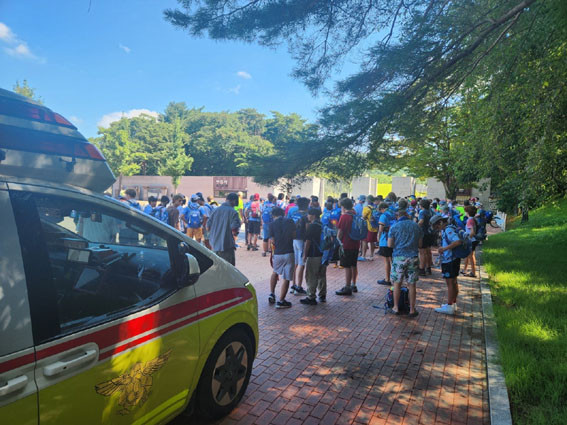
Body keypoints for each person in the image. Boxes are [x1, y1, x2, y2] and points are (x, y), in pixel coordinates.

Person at [387, 199, 423, 317]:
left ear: (397, 216)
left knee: (397, 283)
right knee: (412, 284)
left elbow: (389, 244)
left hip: (399, 257)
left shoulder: (394, 227)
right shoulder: (416, 226)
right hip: (413, 257)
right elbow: (420, 245)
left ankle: (396, 307)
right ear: (407, 215)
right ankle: (412, 309)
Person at [431, 215, 462, 315]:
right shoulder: (449, 229)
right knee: (454, 282)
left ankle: (449, 306)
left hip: (450, 260)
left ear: (440, 223)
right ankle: (453, 303)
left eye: (437, 226)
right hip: (453, 259)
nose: (437, 229)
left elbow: (458, 241)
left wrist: (444, 249)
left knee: (450, 283)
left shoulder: (448, 230)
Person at [267, 207, 295, 309]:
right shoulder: (290, 221)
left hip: (278, 253)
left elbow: (272, 240)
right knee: (286, 277)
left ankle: (272, 293)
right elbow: (294, 235)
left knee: (275, 272)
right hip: (289, 252)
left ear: (273, 215)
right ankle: (281, 301)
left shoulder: (272, 224)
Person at [300, 208, 327, 305]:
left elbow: (308, 242)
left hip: (313, 254)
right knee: (322, 275)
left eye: (309, 214)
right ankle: (322, 295)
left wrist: (305, 255)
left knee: (311, 275)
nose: (307, 216)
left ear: (313, 216)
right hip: (324, 254)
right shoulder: (323, 225)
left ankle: (311, 296)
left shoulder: (312, 226)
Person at [207, 192, 241, 266]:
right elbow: (234, 230)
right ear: (234, 201)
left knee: (216, 268)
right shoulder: (233, 212)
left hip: (214, 246)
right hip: (227, 247)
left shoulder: (215, 210)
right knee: (228, 269)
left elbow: (208, 227)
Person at [335, 197, 359, 295]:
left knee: (347, 266)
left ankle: (347, 287)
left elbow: (340, 232)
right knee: (354, 264)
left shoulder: (344, 216)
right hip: (356, 243)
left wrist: (338, 240)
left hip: (347, 244)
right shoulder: (355, 214)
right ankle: (353, 284)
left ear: (343, 207)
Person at [289, 197, 309, 295]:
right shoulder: (306, 215)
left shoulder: (293, 213)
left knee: (295, 263)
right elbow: (308, 230)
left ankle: (293, 285)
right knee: (301, 264)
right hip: (302, 240)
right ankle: (299, 287)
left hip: (294, 239)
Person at [377, 202, 394, 286]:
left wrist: (378, 238)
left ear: (382, 209)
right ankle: (395, 278)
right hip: (393, 240)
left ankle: (387, 279)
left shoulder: (383, 216)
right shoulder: (393, 214)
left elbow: (381, 229)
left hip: (385, 240)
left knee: (386, 261)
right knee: (393, 260)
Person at [418, 198, 434, 275]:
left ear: (421, 205)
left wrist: (416, 226)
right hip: (429, 233)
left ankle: (422, 269)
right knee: (428, 251)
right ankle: (428, 267)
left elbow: (421, 221)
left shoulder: (422, 212)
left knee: (422, 252)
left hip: (423, 233)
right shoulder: (430, 212)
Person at [462, 205, 478, 277]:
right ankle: (467, 270)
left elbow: (472, 232)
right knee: (469, 255)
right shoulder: (473, 219)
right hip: (473, 240)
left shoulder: (469, 220)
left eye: (465, 211)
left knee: (471, 257)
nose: (465, 213)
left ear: (468, 212)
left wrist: (468, 239)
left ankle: (473, 272)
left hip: (471, 240)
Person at [361, 195, 379, 261]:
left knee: (365, 241)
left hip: (368, 227)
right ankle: (371, 255)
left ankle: (363, 255)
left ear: (368, 200)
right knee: (372, 242)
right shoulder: (375, 207)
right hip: (375, 227)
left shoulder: (366, 208)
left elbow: (363, 217)